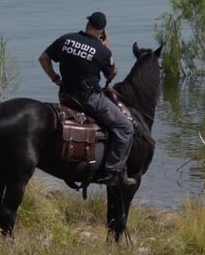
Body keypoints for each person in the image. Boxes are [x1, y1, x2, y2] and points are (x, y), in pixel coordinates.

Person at [38, 11, 136, 187]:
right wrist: (106, 48)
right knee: (125, 127)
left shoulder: (66, 39)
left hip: (65, 95)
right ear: (102, 31)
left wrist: (55, 78)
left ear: (88, 24)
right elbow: (112, 73)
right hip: (88, 99)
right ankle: (112, 171)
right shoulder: (102, 50)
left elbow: (43, 58)